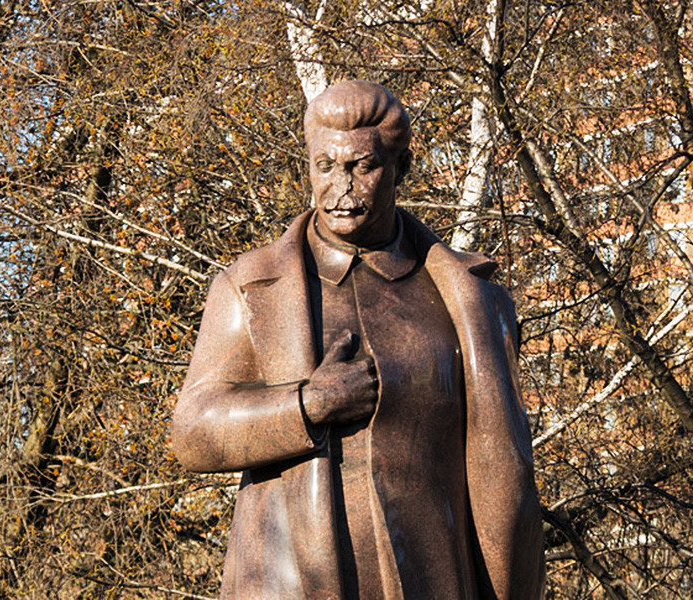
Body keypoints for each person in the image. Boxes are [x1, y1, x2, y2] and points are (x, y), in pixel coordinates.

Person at [172, 80, 545, 599]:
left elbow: (505, 473)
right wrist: (308, 405)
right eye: (325, 166)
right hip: (295, 582)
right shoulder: (252, 287)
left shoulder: (470, 298)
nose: (340, 187)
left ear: (400, 168)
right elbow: (192, 432)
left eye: (361, 166)